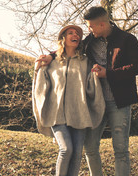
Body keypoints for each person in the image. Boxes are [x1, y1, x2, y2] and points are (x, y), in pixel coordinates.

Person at [37, 7, 138, 176]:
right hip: (96, 103)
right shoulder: (90, 41)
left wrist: (108, 73)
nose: (88, 30)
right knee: (90, 148)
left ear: (101, 24)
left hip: (120, 102)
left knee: (121, 150)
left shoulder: (127, 39)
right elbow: (69, 48)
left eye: (90, 26)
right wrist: (51, 55)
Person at [33, 25, 105, 176]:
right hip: (56, 114)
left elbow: (91, 86)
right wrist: (37, 68)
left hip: (79, 113)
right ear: (63, 38)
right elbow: (40, 84)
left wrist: (95, 75)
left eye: (78, 34)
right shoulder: (51, 61)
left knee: (77, 153)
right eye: (71, 33)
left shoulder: (85, 62)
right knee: (66, 149)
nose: (75, 35)